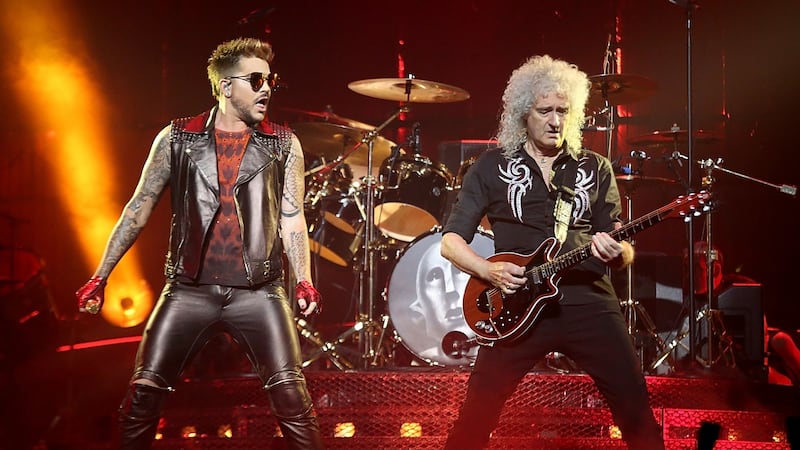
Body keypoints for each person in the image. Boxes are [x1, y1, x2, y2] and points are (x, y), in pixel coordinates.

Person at [74, 38, 324, 449]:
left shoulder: (283, 143)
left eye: (270, 80)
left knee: (292, 396)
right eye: (256, 79)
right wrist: (101, 275)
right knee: (143, 393)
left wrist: (303, 281)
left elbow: (292, 218)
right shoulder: (176, 139)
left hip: (259, 292)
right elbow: (138, 208)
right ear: (226, 87)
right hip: (189, 289)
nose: (266, 89)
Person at [440, 55, 665, 449]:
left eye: (563, 111)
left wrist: (617, 252)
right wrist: (488, 272)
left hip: (588, 299)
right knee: (478, 412)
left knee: (634, 406)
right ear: (523, 114)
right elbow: (450, 242)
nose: (555, 121)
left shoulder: (594, 167)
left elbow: (623, 248)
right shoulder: (491, 167)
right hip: (515, 303)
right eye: (545, 110)